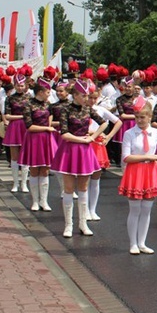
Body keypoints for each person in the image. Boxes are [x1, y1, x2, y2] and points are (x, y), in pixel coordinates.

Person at [51, 80, 108, 238]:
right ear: (75, 95)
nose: (86, 98)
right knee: (68, 189)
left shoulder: (88, 109)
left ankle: (83, 223)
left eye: (87, 95)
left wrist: (92, 136)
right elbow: (63, 132)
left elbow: (103, 124)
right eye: (83, 95)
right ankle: (68, 225)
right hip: (69, 149)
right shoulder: (65, 110)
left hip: (84, 150)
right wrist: (83, 140)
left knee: (83, 188)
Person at [119, 99, 157, 255]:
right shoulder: (129, 133)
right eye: (137, 117)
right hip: (134, 172)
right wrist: (148, 157)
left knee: (147, 209)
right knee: (134, 209)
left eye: (142, 117)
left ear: (150, 117)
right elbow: (126, 157)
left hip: (150, 172)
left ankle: (142, 243)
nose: (139, 120)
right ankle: (133, 243)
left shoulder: (156, 133)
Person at [19, 78, 58, 211]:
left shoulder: (49, 105)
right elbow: (29, 126)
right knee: (35, 169)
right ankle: (35, 201)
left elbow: (50, 119)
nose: (49, 94)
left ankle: (44, 201)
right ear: (40, 92)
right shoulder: (28, 104)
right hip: (34, 139)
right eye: (47, 92)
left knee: (45, 170)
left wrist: (49, 128)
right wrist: (46, 129)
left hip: (46, 139)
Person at [87, 86, 123, 221]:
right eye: (89, 97)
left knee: (95, 179)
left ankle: (92, 209)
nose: (91, 100)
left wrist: (108, 137)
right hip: (85, 143)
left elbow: (118, 122)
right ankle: (85, 209)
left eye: (94, 98)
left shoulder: (101, 110)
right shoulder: (81, 110)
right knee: (84, 179)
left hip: (97, 145)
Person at [2, 74, 31, 192]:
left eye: (22, 85)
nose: (20, 87)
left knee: (25, 155)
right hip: (14, 127)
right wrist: (21, 116)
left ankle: (24, 183)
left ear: (25, 86)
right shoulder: (9, 98)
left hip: (26, 127)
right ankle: (15, 183)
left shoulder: (29, 98)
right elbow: (7, 115)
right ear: (14, 85)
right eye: (18, 85)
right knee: (14, 157)